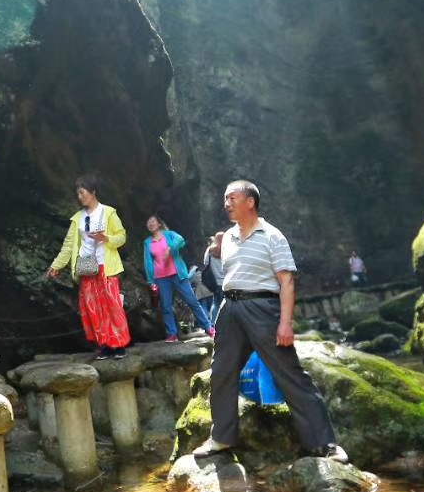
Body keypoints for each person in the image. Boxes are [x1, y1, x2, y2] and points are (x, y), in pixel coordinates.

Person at [193, 180, 348, 463]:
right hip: (230, 309)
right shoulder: (227, 237)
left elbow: (286, 281)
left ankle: (325, 443)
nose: (226, 203)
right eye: (225, 199)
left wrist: (285, 323)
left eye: (232, 198)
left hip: (263, 307)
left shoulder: (272, 236)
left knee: (289, 373)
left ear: (250, 201)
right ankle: (222, 437)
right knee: (221, 372)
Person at [45, 174, 131, 358]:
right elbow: (68, 246)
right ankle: (104, 345)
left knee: (112, 305)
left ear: (93, 192)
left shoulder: (108, 212)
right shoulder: (77, 218)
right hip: (86, 264)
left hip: (105, 264)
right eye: (78, 193)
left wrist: (105, 238)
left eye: (82, 192)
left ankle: (119, 344)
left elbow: (122, 236)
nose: (80, 197)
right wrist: (57, 265)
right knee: (92, 307)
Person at [142, 215, 214, 342]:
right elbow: (148, 262)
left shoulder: (169, 235)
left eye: (153, 221)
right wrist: (151, 280)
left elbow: (180, 240)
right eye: (148, 222)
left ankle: (208, 328)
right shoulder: (148, 242)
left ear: (159, 224)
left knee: (192, 301)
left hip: (177, 274)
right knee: (166, 306)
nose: (150, 224)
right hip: (161, 278)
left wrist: (170, 248)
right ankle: (172, 334)